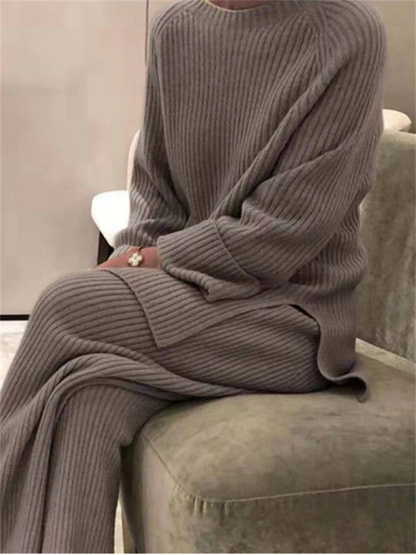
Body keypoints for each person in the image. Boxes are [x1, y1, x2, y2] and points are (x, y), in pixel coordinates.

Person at [0, 0, 387, 551]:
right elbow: (154, 192)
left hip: (294, 318)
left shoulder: (348, 32)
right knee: (84, 397)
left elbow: (287, 230)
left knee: (66, 304)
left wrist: (149, 262)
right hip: (193, 300)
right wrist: (135, 260)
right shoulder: (175, 30)